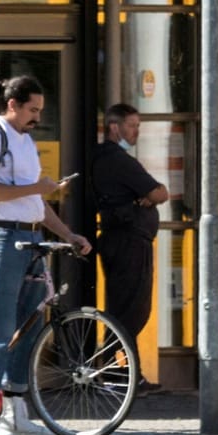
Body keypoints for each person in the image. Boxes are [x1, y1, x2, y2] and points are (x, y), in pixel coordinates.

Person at [0, 76, 90, 435]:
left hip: (31, 234)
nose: (37, 116)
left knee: (31, 323)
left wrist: (67, 234)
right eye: (32, 109)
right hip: (1, 235)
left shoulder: (24, 139)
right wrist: (38, 188)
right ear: (12, 105)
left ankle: (17, 409)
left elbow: (35, 203)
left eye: (40, 109)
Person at [91, 103, 168, 396]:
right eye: (132, 125)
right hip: (128, 240)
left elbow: (155, 193)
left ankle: (121, 371)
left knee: (126, 308)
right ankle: (116, 370)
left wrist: (147, 198)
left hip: (122, 239)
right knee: (130, 309)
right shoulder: (117, 159)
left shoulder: (108, 158)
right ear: (114, 127)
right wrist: (145, 198)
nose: (137, 131)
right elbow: (159, 192)